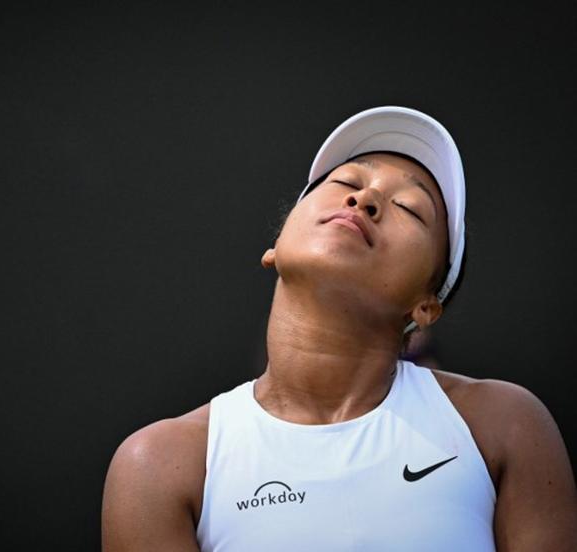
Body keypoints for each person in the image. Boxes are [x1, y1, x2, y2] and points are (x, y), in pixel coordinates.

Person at [101, 106, 577, 551]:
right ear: (275, 245)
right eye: (346, 180)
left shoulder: (505, 425)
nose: (365, 197)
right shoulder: (157, 465)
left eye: (409, 208)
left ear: (427, 306)